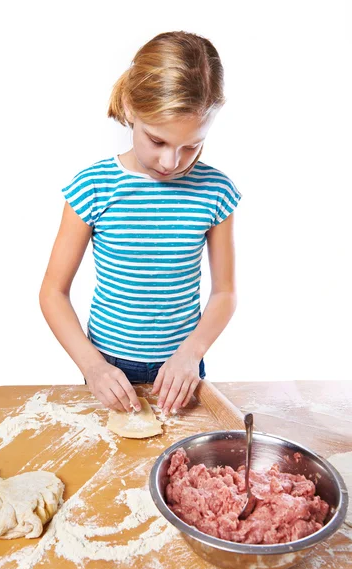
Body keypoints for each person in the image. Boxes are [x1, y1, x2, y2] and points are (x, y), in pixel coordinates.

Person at [39, 30, 242, 417]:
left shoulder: (216, 191)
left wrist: (191, 354)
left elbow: (224, 293)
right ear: (131, 108)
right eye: (158, 141)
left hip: (182, 366)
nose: (171, 162)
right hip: (109, 366)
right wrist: (92, 366)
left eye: (191, 146)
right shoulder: (93, 187)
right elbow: (52, 292)